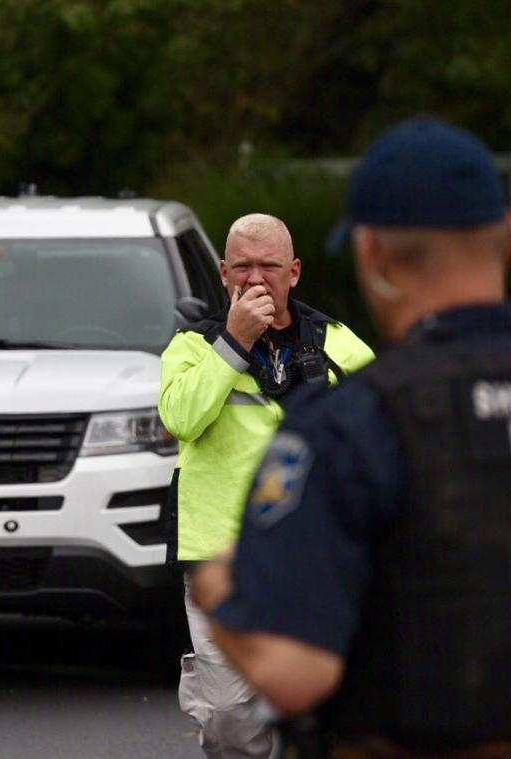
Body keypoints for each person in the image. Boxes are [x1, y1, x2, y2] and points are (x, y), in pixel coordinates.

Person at [192, 119, 511, 757]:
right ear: (508, 238)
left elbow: (293, 672)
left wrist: (217, 590)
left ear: (371, 254)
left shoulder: (352, 423)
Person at [159, 214, 375, 757]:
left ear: (294, 272)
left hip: (316, 557)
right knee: (230, 717)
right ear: (223, 272)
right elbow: (180, 418)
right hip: (220, 562)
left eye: (269, 266)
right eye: (243, 267)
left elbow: (380, 442)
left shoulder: (339, 345)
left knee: (327, 711)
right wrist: (234, 341)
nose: (255, 278)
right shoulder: (192, 346)